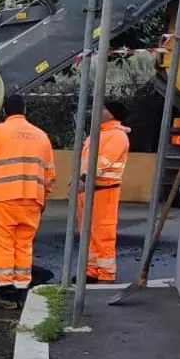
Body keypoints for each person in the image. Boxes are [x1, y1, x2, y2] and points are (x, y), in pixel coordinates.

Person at [0, 94, 57, 298]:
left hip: (2, 198)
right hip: (33, 199)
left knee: (2, 241)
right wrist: (43, 198)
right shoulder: (41, 136)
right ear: (24, 110)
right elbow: (50, 174)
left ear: (5, 111)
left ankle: (5, 286)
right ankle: (22, 284)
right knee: (24, 242)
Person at [77, 101, 131, 284]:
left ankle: (106, 275)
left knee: (103, 234)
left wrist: (82, 180)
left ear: (112, 114)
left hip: (104, 192)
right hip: (90, 191)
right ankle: (92, 271)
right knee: (90, 233)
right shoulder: (99, 134)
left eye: (103, 108)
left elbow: (102, 163)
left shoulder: (117, 136)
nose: (98, 111)